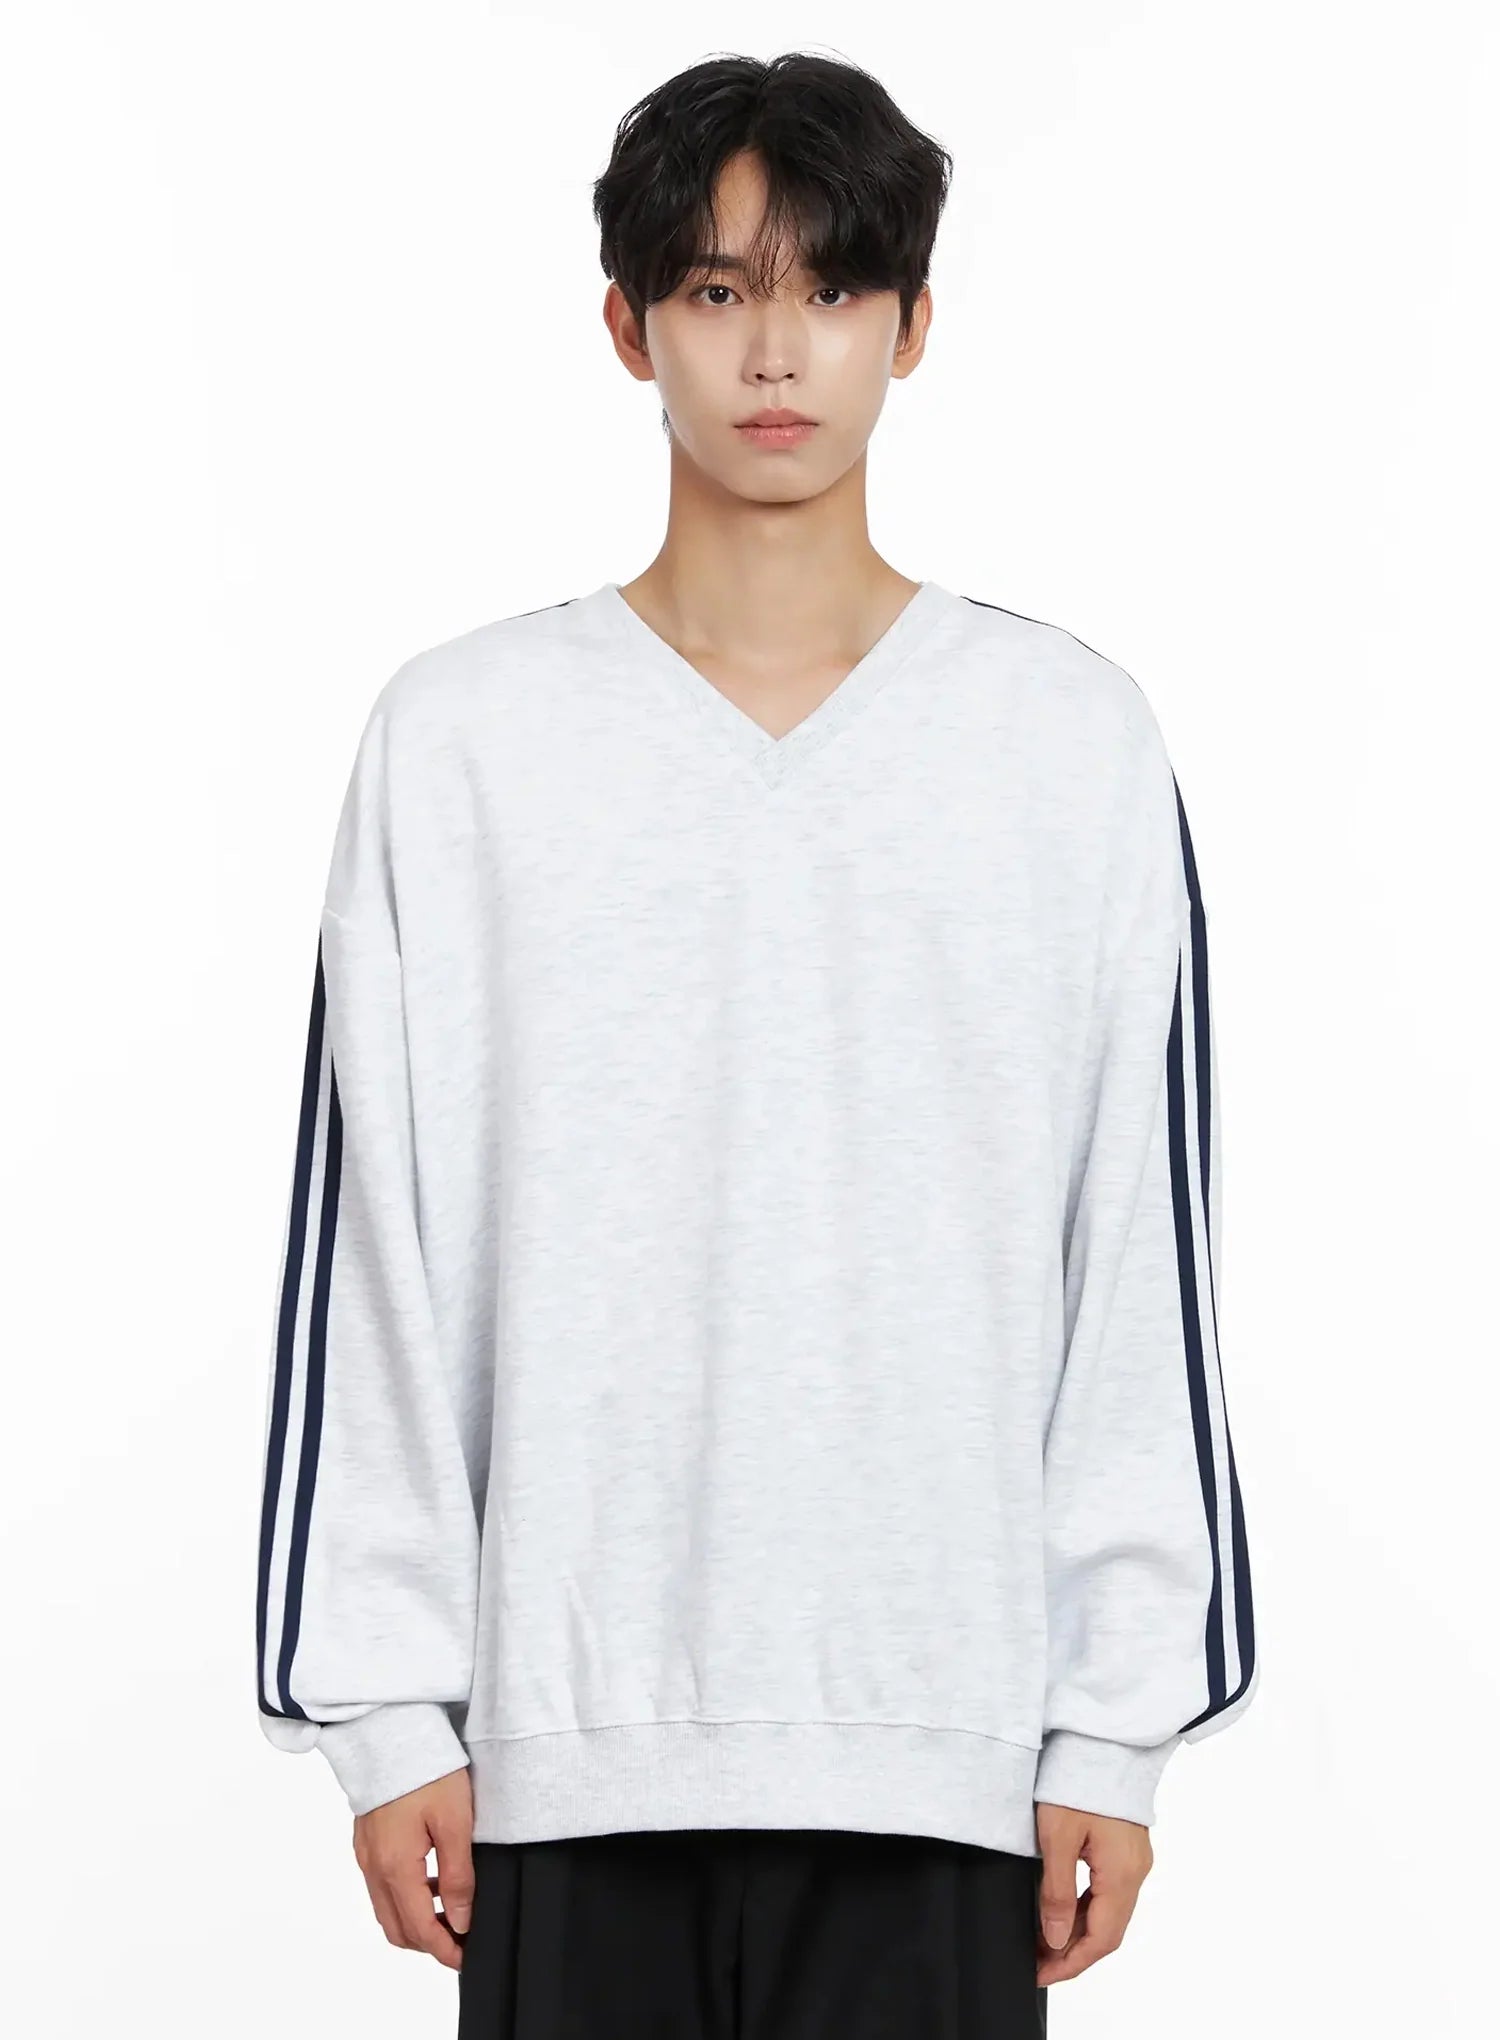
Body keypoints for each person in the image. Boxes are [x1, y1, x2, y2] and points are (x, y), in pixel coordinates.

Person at [253, 48, 1258, 2037]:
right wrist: (382, 1709)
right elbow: (370, 1246)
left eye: (833, 288)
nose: (776, 350)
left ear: (913, 326)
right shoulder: (464, 745)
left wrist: (1113, 1722)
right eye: (718, 290)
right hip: (563, 1754)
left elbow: (1141, 1247)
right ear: (629, 326)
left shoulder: (1066, 747)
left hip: (945, 1747)